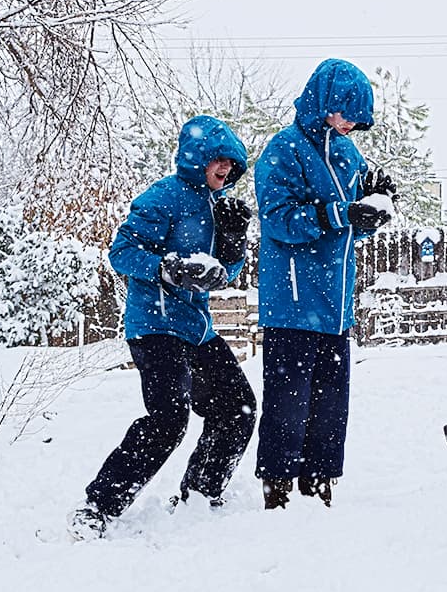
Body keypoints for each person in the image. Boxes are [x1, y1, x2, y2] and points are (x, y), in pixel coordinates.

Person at [72, 115, 257, 536]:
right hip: (154, 325)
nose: (226, 169)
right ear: (197, 159)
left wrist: (232, 243)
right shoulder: (163, 197)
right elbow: (121, 253)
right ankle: (98, 505)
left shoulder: (219, 206)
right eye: (219, 160)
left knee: (237, 408)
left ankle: (200, 494)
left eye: (232, 163)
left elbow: (224, 272)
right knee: (169, 418)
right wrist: (169, 269)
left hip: (196, 328)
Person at [253, 58, 398, 509]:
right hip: (293, 300)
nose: (353, 123)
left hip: (336, 304)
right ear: (323, 104)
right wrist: (341, 213)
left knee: (331, 402)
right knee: (288, 399)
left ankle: (319, 479)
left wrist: (376, 206)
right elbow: (278, 221)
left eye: (359, 117)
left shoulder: (350, 154)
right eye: (346, 112)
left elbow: (353, 225)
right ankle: (277, 482)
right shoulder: (285, 149)